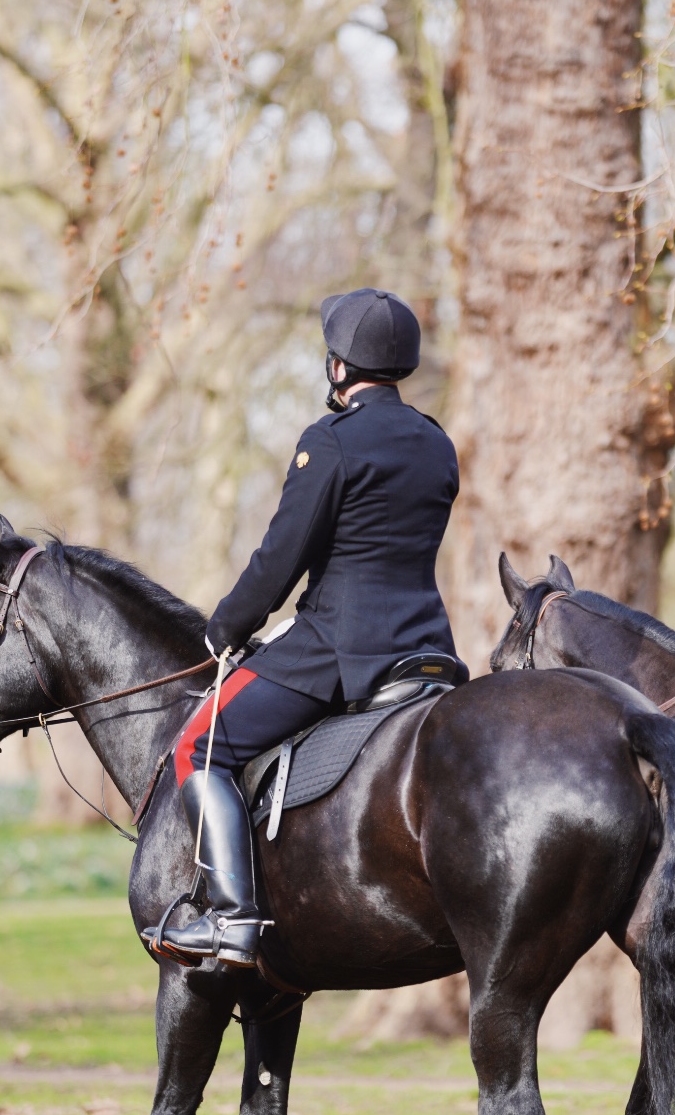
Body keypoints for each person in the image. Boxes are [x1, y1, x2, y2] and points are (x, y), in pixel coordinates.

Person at [147, 288, 461, 969]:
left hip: (337, 650)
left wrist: (227, 626)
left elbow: (280, 557)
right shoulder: (438, 444)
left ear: (339, 367)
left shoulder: (330, 443)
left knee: (198, 747)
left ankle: (233, 918)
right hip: (431, 648)